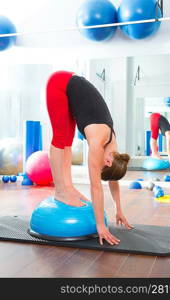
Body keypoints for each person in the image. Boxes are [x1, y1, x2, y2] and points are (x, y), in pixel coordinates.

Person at [46, 70, 133, 246]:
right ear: (108, 161)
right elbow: (96, 187)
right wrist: (100, 225)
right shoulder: (98, 142)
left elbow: (112, 179)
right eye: (103, 168)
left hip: (71, 87)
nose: (99, 166)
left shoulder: (112, 148)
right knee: (60, 137)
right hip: (59, 84)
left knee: (67, 142)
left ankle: (68, 187)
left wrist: (119, 209)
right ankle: (60, 190)